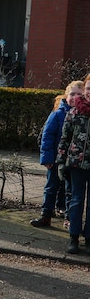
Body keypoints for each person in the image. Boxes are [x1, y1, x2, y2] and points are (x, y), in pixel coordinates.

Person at [32, 81, 82, 227]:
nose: (75, 97)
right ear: (66, 95)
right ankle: (46, 214)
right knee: (51, 187)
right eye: (72, 94)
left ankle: (68, 216)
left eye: (79, 94)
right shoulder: (57, 114)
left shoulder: (83, 115)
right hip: (55, 159)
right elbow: (47, 137)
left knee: (70, 190)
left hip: (73, 161)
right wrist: (47, 158)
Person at [55, 84, 90, 254]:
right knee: (76, 200)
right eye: (89, 88)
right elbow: (64, 139)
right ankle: (73, 236)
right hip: (77, 163)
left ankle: (89, 236)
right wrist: (61, 161)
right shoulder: (74, 112)